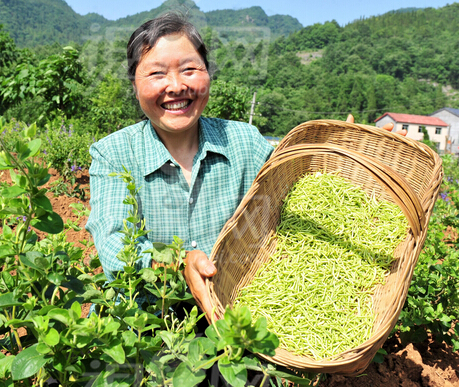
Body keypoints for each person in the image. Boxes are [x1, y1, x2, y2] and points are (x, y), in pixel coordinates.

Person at [85, 13, 406, 321]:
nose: (176, 86)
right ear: (134, 84)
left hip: (236, 320)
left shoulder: (245, 142)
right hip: (146, 327)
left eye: (189, 69)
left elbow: (300, 193)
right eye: (156, 74)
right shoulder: (114, 154)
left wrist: (350, 156)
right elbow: (116, 250)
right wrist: (177, 265)